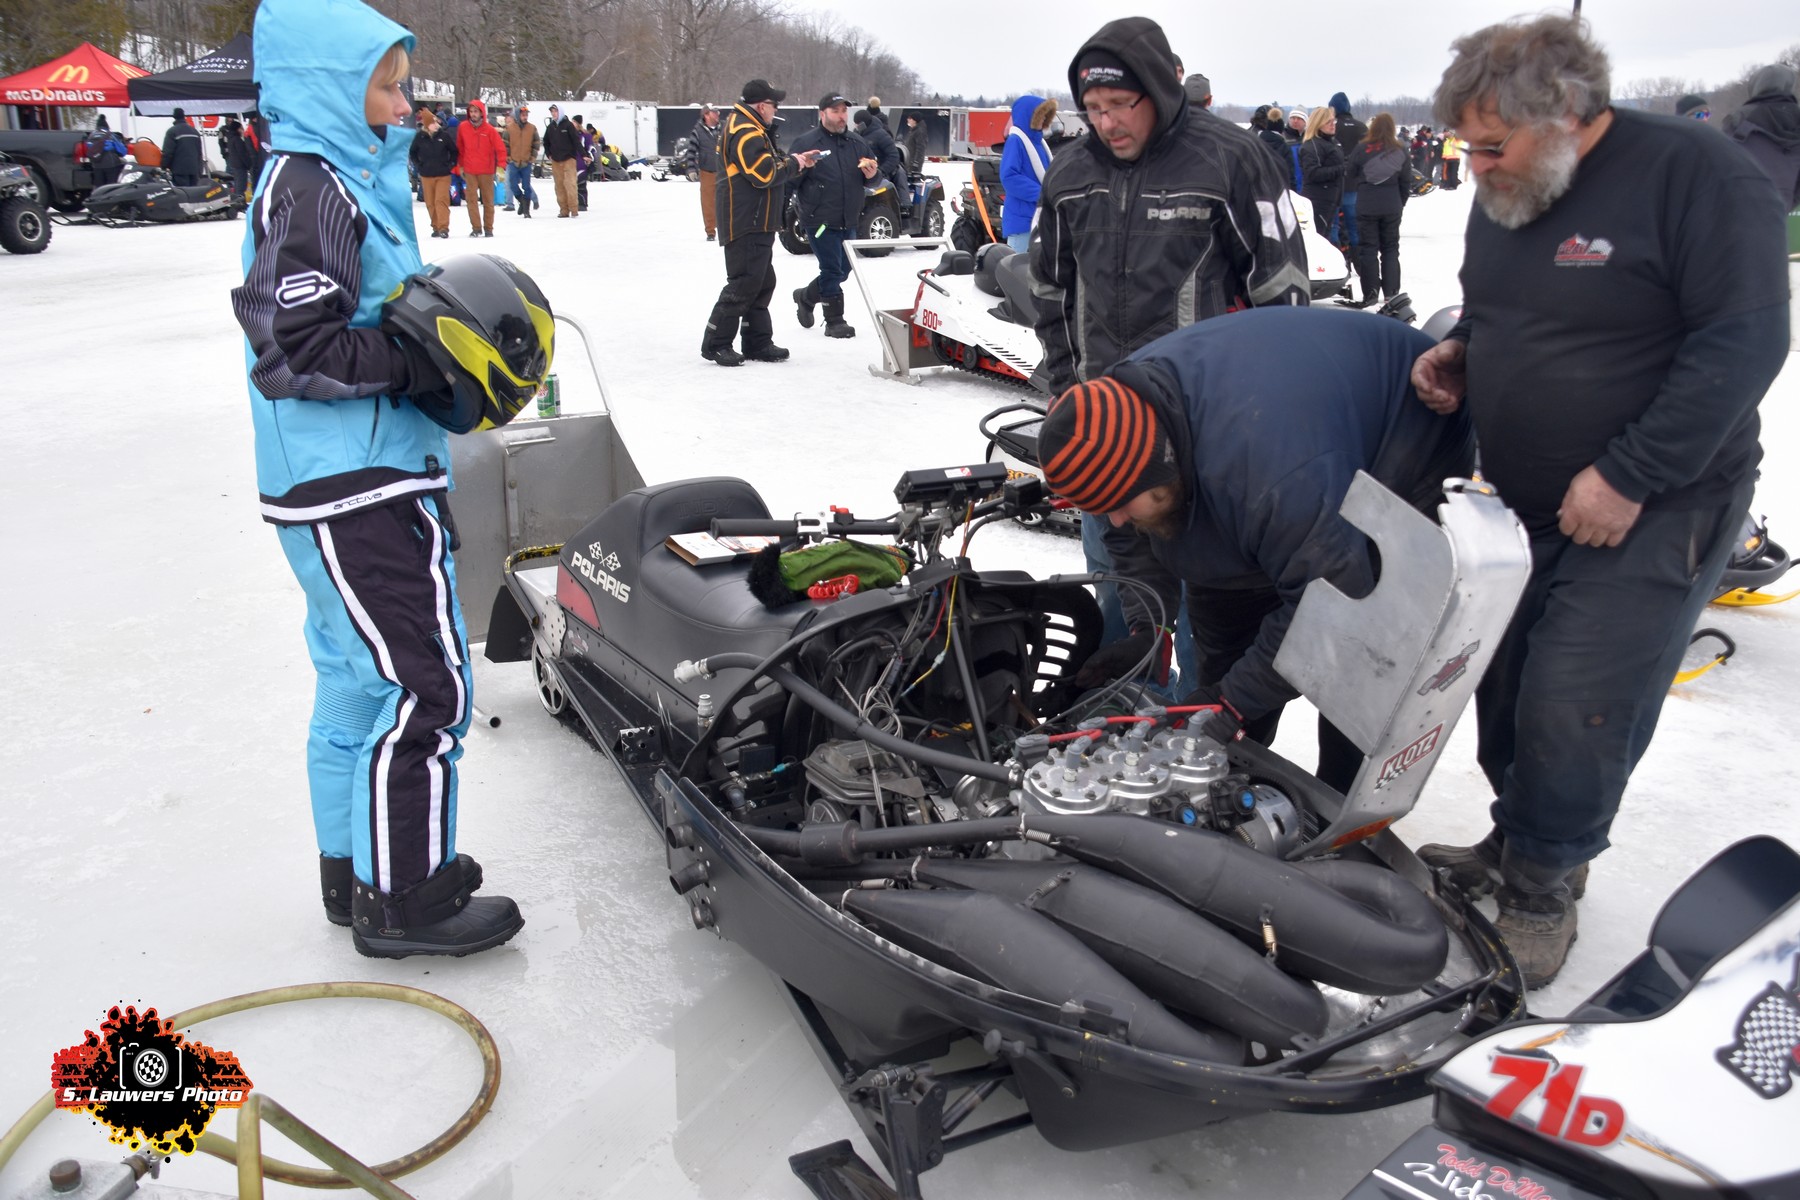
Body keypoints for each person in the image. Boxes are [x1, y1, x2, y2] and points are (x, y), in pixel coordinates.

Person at [1410, 14, 1789, 987]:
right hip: (1527, 497)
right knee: (1503, 684)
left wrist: (1629, 474)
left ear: (1569, 113)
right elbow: (1501, 305)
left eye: (1492, 145)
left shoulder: (1698, 178)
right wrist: (1464, 351)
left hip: (1660, 501)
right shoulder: (1510, 187)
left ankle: (1543, 886)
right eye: (1466, 146)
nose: (1475, 165)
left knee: (1576, 695)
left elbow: (1744, 342)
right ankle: (1520, 841)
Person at [233, 0, 526, 958]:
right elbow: (294, 347)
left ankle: (356, 872)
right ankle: (407, 899)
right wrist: (417, 363)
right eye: (389, 86)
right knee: (426, 688)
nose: (405, 106)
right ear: (330, 85)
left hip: (350, 474)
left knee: (358, 687)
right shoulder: (312, 185)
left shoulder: (336, 175)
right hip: (357, 483)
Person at [1043, 307, 1474, 793]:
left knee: (1356, 662)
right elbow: (1128, 531)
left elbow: (1335, 608)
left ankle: (1337, 794)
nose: (1116, 519)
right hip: (1272, 440)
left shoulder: (1273, 480)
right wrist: (1150, 628)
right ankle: (1232, 778)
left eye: (1120, 504)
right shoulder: (1123, 428)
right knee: (1227, 654)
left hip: (1406, 439)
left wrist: (1232, 704)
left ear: (1158, 467)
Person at [1033, 16, 1311, 694]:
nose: (1107, 122)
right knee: (1123, 600)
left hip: (1203, 441)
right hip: (1104, 429)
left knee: (1207, 619)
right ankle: (1122, 722)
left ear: (1158, 90)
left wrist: (1264, 415)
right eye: (1093, 108)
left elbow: (1283, 293)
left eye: (1120, 104)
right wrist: (1067, 388)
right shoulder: (1069, 174)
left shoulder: (1232, 159)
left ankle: (1202, 733)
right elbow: (1048, 289)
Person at [701, 78, 821, 366]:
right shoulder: (745, 131)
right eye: (773, 104)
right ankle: (716, 343)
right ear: (760, 105)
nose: (776, 109)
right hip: (746, 219)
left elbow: (769, 164)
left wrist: (795, 160)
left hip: (756, 219)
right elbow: (763, 173)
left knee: (762, 281)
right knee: (744, 282)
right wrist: (795, 163)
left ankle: (757, 341)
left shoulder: (752, 128)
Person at [791, 93, 877, 339]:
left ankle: (806, 297)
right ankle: (834, 320)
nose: (841, 116)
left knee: (843, 270)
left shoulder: (857, 143)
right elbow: (790, 179)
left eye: (844, 111)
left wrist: (873, 175)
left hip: (849, 218)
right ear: (822, 114)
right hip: (819, 219)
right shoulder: (806, 142)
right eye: (835, 111)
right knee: (830, 268)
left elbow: (875, 177)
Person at [1345, 112, 1409, 307]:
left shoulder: (1361, 148)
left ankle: (1370, 292)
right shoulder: (1401, 149)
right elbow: (1406, 181)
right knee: (1391, 248)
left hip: (1367, 204)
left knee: (1368, 249)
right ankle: (1391, 292)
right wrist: (1400, 202)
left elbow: (1350, 173)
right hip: (1392, 204)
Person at [1721, 66, 1800, 209]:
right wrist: (1786, 203)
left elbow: (1720, 163)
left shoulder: (1738, 118)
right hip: (1781, 209)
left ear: (1755, 85)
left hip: (1742, 206)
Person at [999, 94, 1055, 252]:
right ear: (1030, 117)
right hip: (1022, 221)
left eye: (1045, 115)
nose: (1043, 119)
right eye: (1040, 115)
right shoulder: (1015, 141)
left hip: (1040, 220)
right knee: (1017, 265)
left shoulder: (1039, 144)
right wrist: (1042, 194)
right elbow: (1009, 177)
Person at [455, 98, 505, 236]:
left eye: (476, 111)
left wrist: (501, 167)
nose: (473, 114)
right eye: (471, 111)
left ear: (482, 113)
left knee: (488, 201)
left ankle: (488, 228)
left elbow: (500, 149)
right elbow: (460, 148)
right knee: (471, 200)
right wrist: (461, 165)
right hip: (470, 170)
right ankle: (476, 228)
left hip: (486, 171)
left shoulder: (489, 130)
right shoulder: (463, 127)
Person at [1327, 92, 1367, 251]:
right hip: (1356, 184)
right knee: (1354, 226)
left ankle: (1337, 255)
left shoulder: (1331, 127)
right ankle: (1358, 258)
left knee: (1333, 225)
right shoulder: (1361, 127)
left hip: (1335, 182)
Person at [410, 104, 458, 237]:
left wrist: (450, 165)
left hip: (443, 174)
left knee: (441, 201)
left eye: (436, 122)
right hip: (426, 175)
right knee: (430, 203)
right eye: (433, 123)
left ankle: (443, 228)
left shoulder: (444, 136)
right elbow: (412, 152)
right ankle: (435, 226)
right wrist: (419, 165)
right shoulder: (419, 137)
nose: (436, 125)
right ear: (427, 125)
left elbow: (454, 151)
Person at [1298, 106, 1345, 239]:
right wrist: (1341, 169)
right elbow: (1312, 173)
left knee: (1326, 238)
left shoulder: (1333, 143)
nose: (1332, 124)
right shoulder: (1311, 145)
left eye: (1333, 121)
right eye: (1328, 122)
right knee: (1316, 239)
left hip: (1332, 200)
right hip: (1318, 202)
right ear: (1318, 124)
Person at [691, 104, 722, 240]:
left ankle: (725, 229)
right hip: (707, 172)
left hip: (724, 172)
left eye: (718, 112)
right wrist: (691, 169)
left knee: (725, 202)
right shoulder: (697, 131)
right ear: (706, 115)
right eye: (714, 112)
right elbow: (691, 151)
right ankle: (710, 231)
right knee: (708, 203)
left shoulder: (724, 128)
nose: (717, 115)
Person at [543, 103, 580, 217]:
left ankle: (574, 209)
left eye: (555, 111)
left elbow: (576, 141)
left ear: (560, 112)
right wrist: (549, 153)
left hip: (569, 159)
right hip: (556, 160)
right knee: (559, 186)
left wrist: (584, 154)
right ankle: (564, 210)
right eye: (552, 112)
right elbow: (546, 141)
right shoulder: (551, 127)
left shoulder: (568, 125)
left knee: (570, 184)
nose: (553, 113)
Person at [852, 107, 902, 193]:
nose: (855, 126)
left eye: (857, 124)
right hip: (861, 174)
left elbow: (894, 156)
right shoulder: (856, 135)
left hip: (880, 174)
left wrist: (881, 171)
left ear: (863, 124)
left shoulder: (881, 135)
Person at [504, 105, 539, 216]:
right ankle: (521, 201)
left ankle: (526, 210)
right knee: (513, 185)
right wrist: (508, 157)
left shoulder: (532, 128)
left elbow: (536, 143)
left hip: (526, 162)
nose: (525, 117)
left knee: (526, 186)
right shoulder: (509, 128)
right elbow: (505, 144)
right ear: (517, 115)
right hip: (513, 162)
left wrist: (532, 157)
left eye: (526, 115)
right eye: (523, 115)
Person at [162, 107, 204, 185]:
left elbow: (168, 152)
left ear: (174, 117)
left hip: (179, 170)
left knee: (183, 191)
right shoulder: (195, 132)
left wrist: (164, 166)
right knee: (194, 191)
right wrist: (199, 170)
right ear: (184, 116)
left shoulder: (172, 131)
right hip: (194, 170)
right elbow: (199, 153)